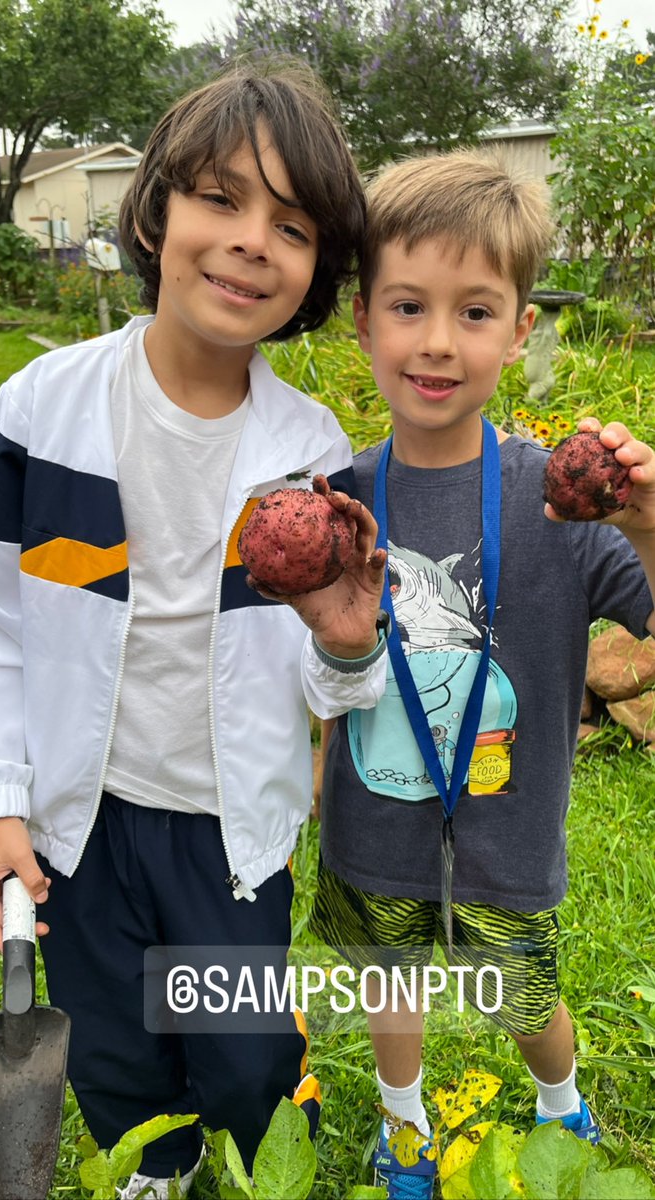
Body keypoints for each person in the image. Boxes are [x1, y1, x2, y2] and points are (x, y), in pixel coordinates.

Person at [0, 61, 388, 1199]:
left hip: (227, 822)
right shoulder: (40, 411)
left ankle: (258, 1147)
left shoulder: (310, 453)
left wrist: (350, 643)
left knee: (244, 1050)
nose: (251, 240)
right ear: (157, 210)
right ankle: (154, 1169)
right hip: (81, 814)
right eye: (220, 197)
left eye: (292, 224)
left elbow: (338, 681)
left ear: (316, 270)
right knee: (111, 1043)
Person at [310, 147, 655, 1199]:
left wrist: (647, 521)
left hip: (508, 819)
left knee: (521, 990)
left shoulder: (563, 504)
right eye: (409, 306)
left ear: (518, 330)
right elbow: (318, 660)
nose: (437, 342)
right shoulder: (336, 500)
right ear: (365, 318)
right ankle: (403, 1130)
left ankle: (562, 1103)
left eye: (475, 312)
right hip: (372, 813)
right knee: (392, 981)